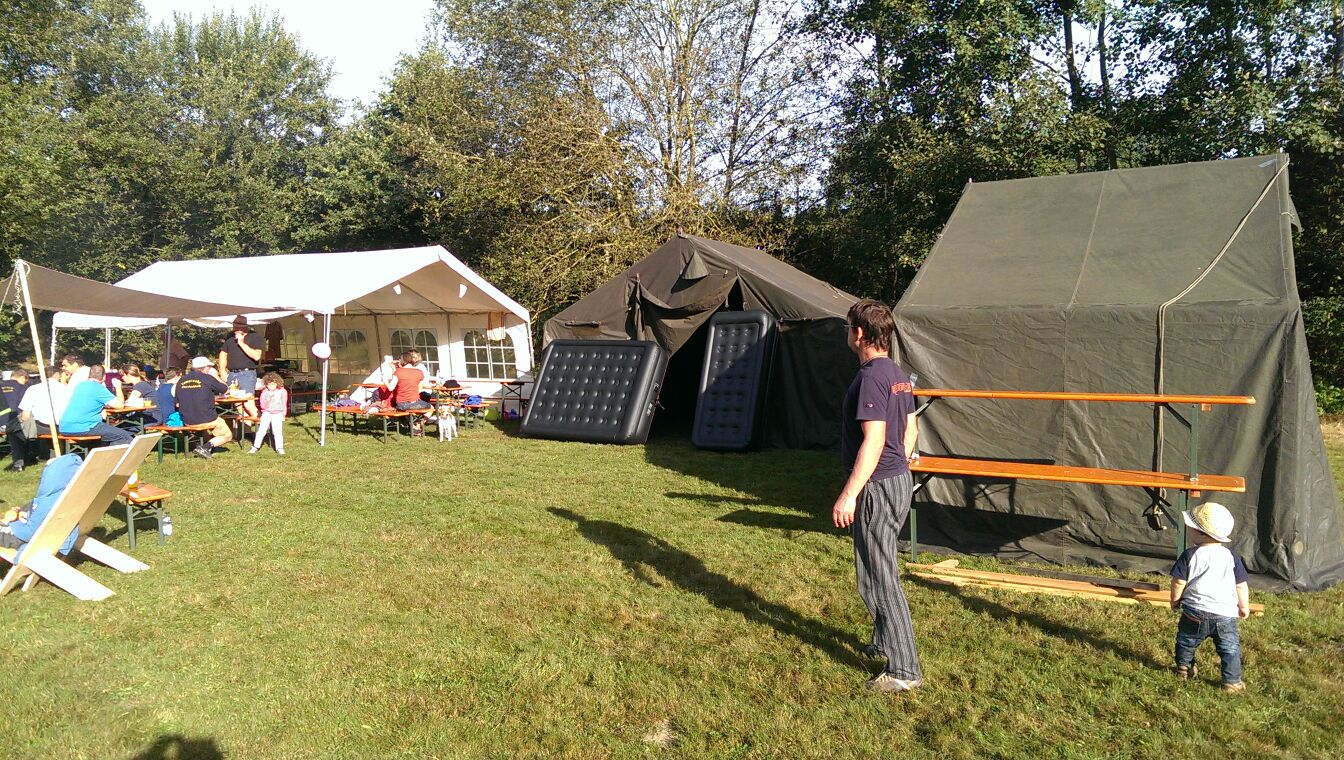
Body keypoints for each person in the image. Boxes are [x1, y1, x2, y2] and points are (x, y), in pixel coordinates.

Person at [831, 298, 922, 693]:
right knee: (870, 571)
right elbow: (910, 429)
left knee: (882, 576)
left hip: (878, 485)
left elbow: (875, 439)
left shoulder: (872, 377)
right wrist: (901, 463)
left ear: (859, 333)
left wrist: (849, 494)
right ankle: (884, 641)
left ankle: (904, 670)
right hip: (896, 479)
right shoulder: (897, 373)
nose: (847, 333)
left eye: (847, 327)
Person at [1171, 501, 1251, 693]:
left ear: (1200, 533)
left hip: (1194, 612)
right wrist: (1244, 606)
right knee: (1230, 648)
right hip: (1225, 615)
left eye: (1191, 527)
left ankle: (1184, 668)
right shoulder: (1231, 557)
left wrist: (1175, 601)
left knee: (1186, 641)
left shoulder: (1189, 555)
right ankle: (1231, 682)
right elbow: (1240, 585)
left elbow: (1178, 582)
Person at [0, 453, 83, 553]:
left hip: (19, 537)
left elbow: (29, 533)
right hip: (49, 533)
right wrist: (24, 514)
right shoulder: (67, 497)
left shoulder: (47, 503)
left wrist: (13, 522)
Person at [59, 364, 133, 446]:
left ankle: (100, 451)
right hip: (84, 426)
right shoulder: (99, 388)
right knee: (124, 436)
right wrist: (118, 387)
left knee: (107, 435)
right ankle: (110, 454)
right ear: (104, 377)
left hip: (65, 427)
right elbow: (119, 405)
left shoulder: (80, 385)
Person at [176, 356, 232, 458]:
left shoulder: (181, 380)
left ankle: (204, 444)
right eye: (209, 367)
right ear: (205, 367)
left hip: (186, 420)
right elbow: (225, 389)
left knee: (206, 422)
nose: (209, 369)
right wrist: (216, 376)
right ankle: (205, 447)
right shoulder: (207, 378)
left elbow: (177, 403)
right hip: (206, 418)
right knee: (227, 435)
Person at [218, 315, 264, 418]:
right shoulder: (230, 337)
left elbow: (256, 356)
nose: (236, 329)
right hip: (232, 374)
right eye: (234, 326)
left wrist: (241, 343)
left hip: (246, 374)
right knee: (238, 404)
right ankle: (246, 427)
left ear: (245, 327)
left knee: (248, 403)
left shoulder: (255, 337)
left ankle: (262, 424)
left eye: (238, 327)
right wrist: (222, 371)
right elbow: (223, 353)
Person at [17, 367, 67, 462]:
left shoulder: (33, 389)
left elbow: (25, 415)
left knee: (20, 421)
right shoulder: (66, 389)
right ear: (57, 374)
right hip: (62, 426)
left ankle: (25, 456)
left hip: (41, 427)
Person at [386, 350, 433, 432]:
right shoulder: (419, 372)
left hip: (401, 405)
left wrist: (385, 381)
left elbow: (390, 388)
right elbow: (420, 388)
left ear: (402, 360)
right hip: (415, 403)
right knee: (431, 408)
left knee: (407, 411)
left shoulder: (398, 372)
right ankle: (420, 423)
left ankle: (413, 425)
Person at [249, 372, 288, 455]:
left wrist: (283, 414)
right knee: (261, 430)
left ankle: (279, 448)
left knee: (277, 431)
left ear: (277, 383)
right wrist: (268, 399)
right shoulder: (265, 392)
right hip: (266, 413)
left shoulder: (282, 391)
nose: (271, 386)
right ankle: (255, 446)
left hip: (278, 413)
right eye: (269, 384)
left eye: (273, 384)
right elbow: (262, 404)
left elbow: (284, 403)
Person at [2, 368, 32, 471]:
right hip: (12, 422)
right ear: (22, 377)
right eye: (26, 380)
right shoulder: (23, 388)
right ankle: (22, 461)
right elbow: (24, 408)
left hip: (2, 421)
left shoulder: (1, 384)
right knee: (20, 431)